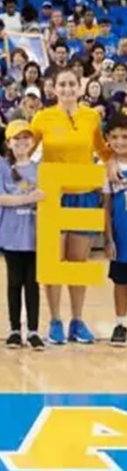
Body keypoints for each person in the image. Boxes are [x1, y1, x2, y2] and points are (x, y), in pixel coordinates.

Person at [30, 66, 118, 345]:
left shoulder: (92, 116)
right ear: (53, 89)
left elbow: (103, 150)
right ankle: (55, 321)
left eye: (71, 84)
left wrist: (113, 161)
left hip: (84, 195)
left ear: (79, 88)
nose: (67, 89)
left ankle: (77, 321)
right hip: (53, 197)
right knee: (54, 262)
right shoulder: (42, 117)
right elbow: (25, 151)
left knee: (78, 263)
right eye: (62, 85)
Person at [0, 120, 45, 350]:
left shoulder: (40, 168)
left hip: (35, 236)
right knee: (14, 281)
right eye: (17, 138)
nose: (22, 142)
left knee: (33, 283)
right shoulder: (1, 167)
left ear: (32, 141)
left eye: (26, 138)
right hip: (11, 235)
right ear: (9, 142)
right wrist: (28, 199)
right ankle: (14, 330)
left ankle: (33, 331)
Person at [103, 113, 127, 347]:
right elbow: (107, 207)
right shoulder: (108, 169)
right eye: (116, 137)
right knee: (121, 282)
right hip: (122, 237)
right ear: (108, 139)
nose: (120, 141)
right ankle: (121, 323)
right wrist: (108, 238)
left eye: (125, 137)